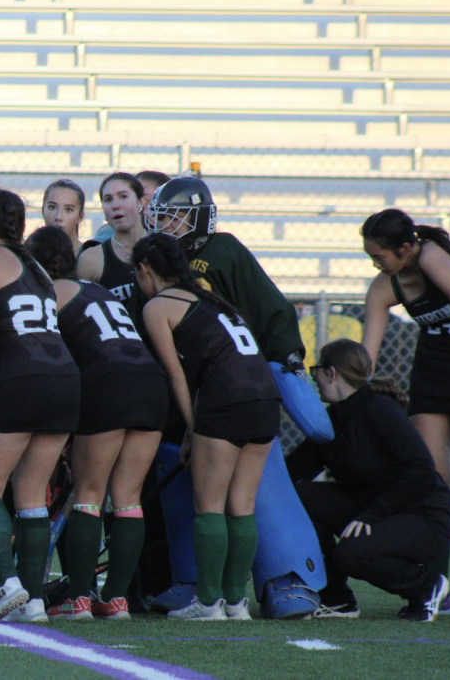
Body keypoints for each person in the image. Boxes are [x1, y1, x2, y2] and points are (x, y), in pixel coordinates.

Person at [145, 176, 332, 620]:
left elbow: (272, 312)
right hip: (250, 392)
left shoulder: (217, 257)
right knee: (234, 501)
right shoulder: (185, 282)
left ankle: (267, 581)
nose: (167, 224)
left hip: (218, 393)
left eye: (174, 216)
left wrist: (287, 359)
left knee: (219, 499)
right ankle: (222, 593)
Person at [133, 233, 279, 621]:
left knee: (209, 505)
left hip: (226, 400)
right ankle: (237, 603)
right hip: (265, 398)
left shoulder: (158, 306)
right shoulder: (212, 299)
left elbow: (178, 377)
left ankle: (210, 602)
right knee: (242, 506)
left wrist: (192, 429)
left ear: (144, 270)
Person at [26, 225, 167, 621]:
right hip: (151, 384)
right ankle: (118, 599)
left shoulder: (49, 294)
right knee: (128, 498)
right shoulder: (101, 292)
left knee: (88, 493)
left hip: (108, 385)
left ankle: (80, 598)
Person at [0, 190, 82, 623]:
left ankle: (7, 583)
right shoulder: (40, 268)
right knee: (31, 495)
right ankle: (31, 600)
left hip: (22, 377)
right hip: (65, 379)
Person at [359, 208, 450, 604]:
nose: (376, 263)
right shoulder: (384, 286)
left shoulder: (432, 258)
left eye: (380, 256)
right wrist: (348, 385)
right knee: (432, 479)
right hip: (431, 372)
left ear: (407, 248)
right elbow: (366, 359)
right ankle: (436, 589)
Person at [288, 339, 450, 622]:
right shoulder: (332, 419)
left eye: (316, 370)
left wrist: (373, 514)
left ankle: (426, 586)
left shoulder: (379, 408)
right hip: (373, 510)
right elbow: (294, 470)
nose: (314, 377)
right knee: (298, 498)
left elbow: (420, 468)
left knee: (350, 555)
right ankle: (336, 599)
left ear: (332, 372)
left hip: (421, 515)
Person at [77, 172, 149, 305]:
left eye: (123, 196)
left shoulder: (165, 248)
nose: (115, 205)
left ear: (141, 202)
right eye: (108, 199)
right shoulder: (91, 259)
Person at [40, 179, 86, 258]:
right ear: (43, 210)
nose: (58, 217)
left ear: (80, 216)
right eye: (52, 207)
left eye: (68, 209)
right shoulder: (30, 254)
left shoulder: (88, 257)